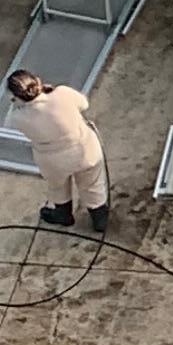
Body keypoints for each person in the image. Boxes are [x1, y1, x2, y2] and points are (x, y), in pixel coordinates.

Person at [10, 70, 109, 237]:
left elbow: (16, 123)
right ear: (38, 81)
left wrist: (18, 104)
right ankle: (99, 219)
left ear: (16, 96)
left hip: (52, 160)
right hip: (84, 150)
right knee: (92, 184)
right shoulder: (62, 93)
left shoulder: (18, 117)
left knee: (57, 187)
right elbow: (84, 104)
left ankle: (63, 215)